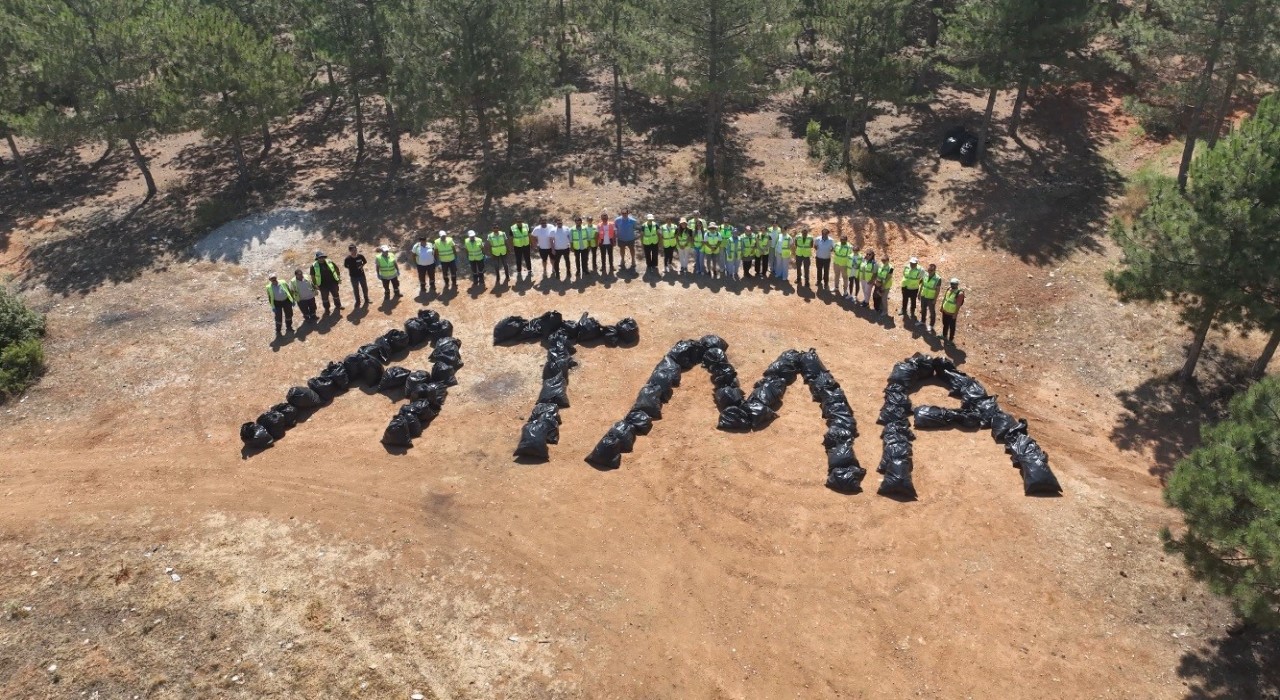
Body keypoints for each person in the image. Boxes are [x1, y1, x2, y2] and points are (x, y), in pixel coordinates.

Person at [920, 263, 943, 333]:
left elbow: (938, 290)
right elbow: (923, 284)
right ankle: (922, 321)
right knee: (923, 309)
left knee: (932, 312)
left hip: (931, 297)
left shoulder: (938, 278)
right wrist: (919, 293)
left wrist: (935, 299)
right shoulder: (925, 274)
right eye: (928, 270)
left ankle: (931, 325)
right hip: (923, 295)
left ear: (934, 270)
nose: (929, 271)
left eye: (931, 270)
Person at [941, 278, 965, 344]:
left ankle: (951, 340)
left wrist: (955, 314)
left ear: (957, 284)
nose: (952, 285)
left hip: (952, 313)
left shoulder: (960, 293)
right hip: (945, 311)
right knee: (945, 324)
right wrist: (942, 307)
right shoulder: (948, 289)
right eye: (951, 284)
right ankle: (944, 335)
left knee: (952, 327)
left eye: (954, 284)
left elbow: (958, 305)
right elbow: (945, 299)